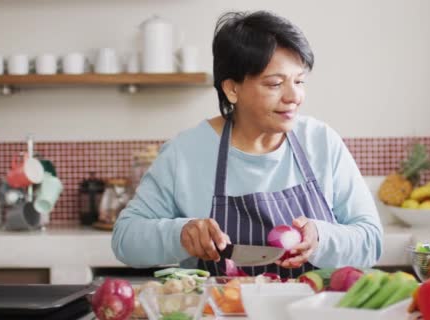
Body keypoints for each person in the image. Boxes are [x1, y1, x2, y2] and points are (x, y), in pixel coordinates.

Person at [112, 10, 383, 277]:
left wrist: (322, 238)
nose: (294, 96)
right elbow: (125, 239)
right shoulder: (185, 153)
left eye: (299, 81)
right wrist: (180, 234)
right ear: (232, 89)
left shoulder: (322, 142)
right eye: (275, 84)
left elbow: (371, 240)